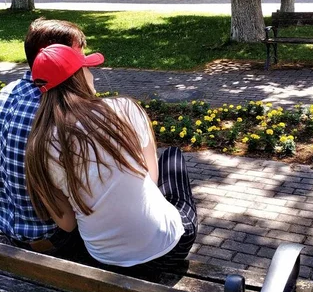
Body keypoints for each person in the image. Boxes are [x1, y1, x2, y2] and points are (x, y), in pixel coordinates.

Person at [24, 44, 198, 271]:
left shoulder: (39, 146)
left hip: (103, 258)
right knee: (173, 157)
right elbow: (151, 179)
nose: (92, 75)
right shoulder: (125, 108)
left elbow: (67, 224)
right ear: (78, 77)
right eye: (87, 69)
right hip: (170, 249)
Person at [0, 19, 88, 256]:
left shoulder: (6, 92)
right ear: (53, 56)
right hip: (50, 237)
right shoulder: (56, 109)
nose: (83, 62)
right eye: (78, 54)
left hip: (4, 224)